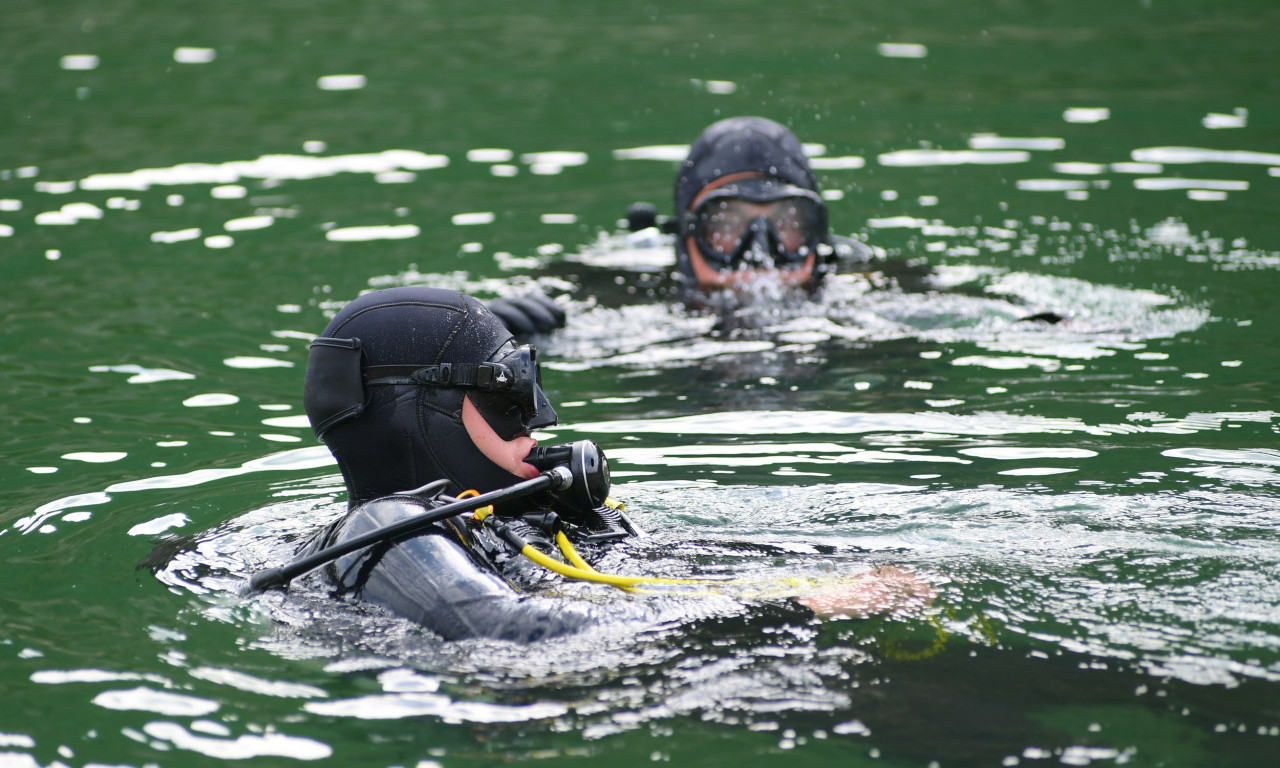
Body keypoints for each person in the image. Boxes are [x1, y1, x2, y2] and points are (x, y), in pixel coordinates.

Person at [295, 286, 930, 642]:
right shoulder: (383, 533)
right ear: (414, 412)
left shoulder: (529, 515)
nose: (537, 420)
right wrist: (797, 609)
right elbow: (508, 632)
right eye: (505, 398)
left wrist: (819, 568)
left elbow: (676, 563)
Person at [629, 116, 877, 302]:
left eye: (786, 223)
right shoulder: (629, 299)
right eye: (726, 224)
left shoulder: (867, 291)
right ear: (687, 236)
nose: (759, 251)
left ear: (815, 235)